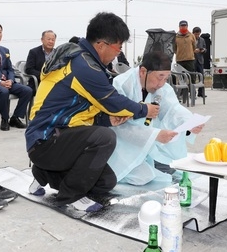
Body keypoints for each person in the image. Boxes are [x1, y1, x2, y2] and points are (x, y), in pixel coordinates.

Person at [25, 12, 159, 212]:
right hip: (44, 140)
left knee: (106, 182)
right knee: (104, 138)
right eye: (118, 47)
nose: (118, 53)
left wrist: (107, 119)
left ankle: (42, 173)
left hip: (59, 138)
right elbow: (113, 101)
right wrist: (143, 109)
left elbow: (80, 109)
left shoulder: (84, 61)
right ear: (101, 45)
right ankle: (71, 196)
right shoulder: (83, 66)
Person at [108, 50, 204, 185]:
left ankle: (152, 160)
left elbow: (173, 110)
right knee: (143, 177)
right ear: (143, 72)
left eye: (166, 78)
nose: (161, 83)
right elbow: (120, 126)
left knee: (176, 167)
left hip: (147, 140)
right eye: (160, 77)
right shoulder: (122, 85)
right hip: (125, 146)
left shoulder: (162, 88)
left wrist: (189, 123)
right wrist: (154, 135)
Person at [192, 26, 206, 98]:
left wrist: (203, 50)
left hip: (200, 60)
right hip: (193, 60)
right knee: (193, 77)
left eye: (198, 34)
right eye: (196, 34)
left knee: (201, 77)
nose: (197, 36)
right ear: (193, 33)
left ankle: (201, 92)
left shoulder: (202, 40)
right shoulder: (191, 39)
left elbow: (205, 48)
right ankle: (193, 93)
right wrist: (194, 50)